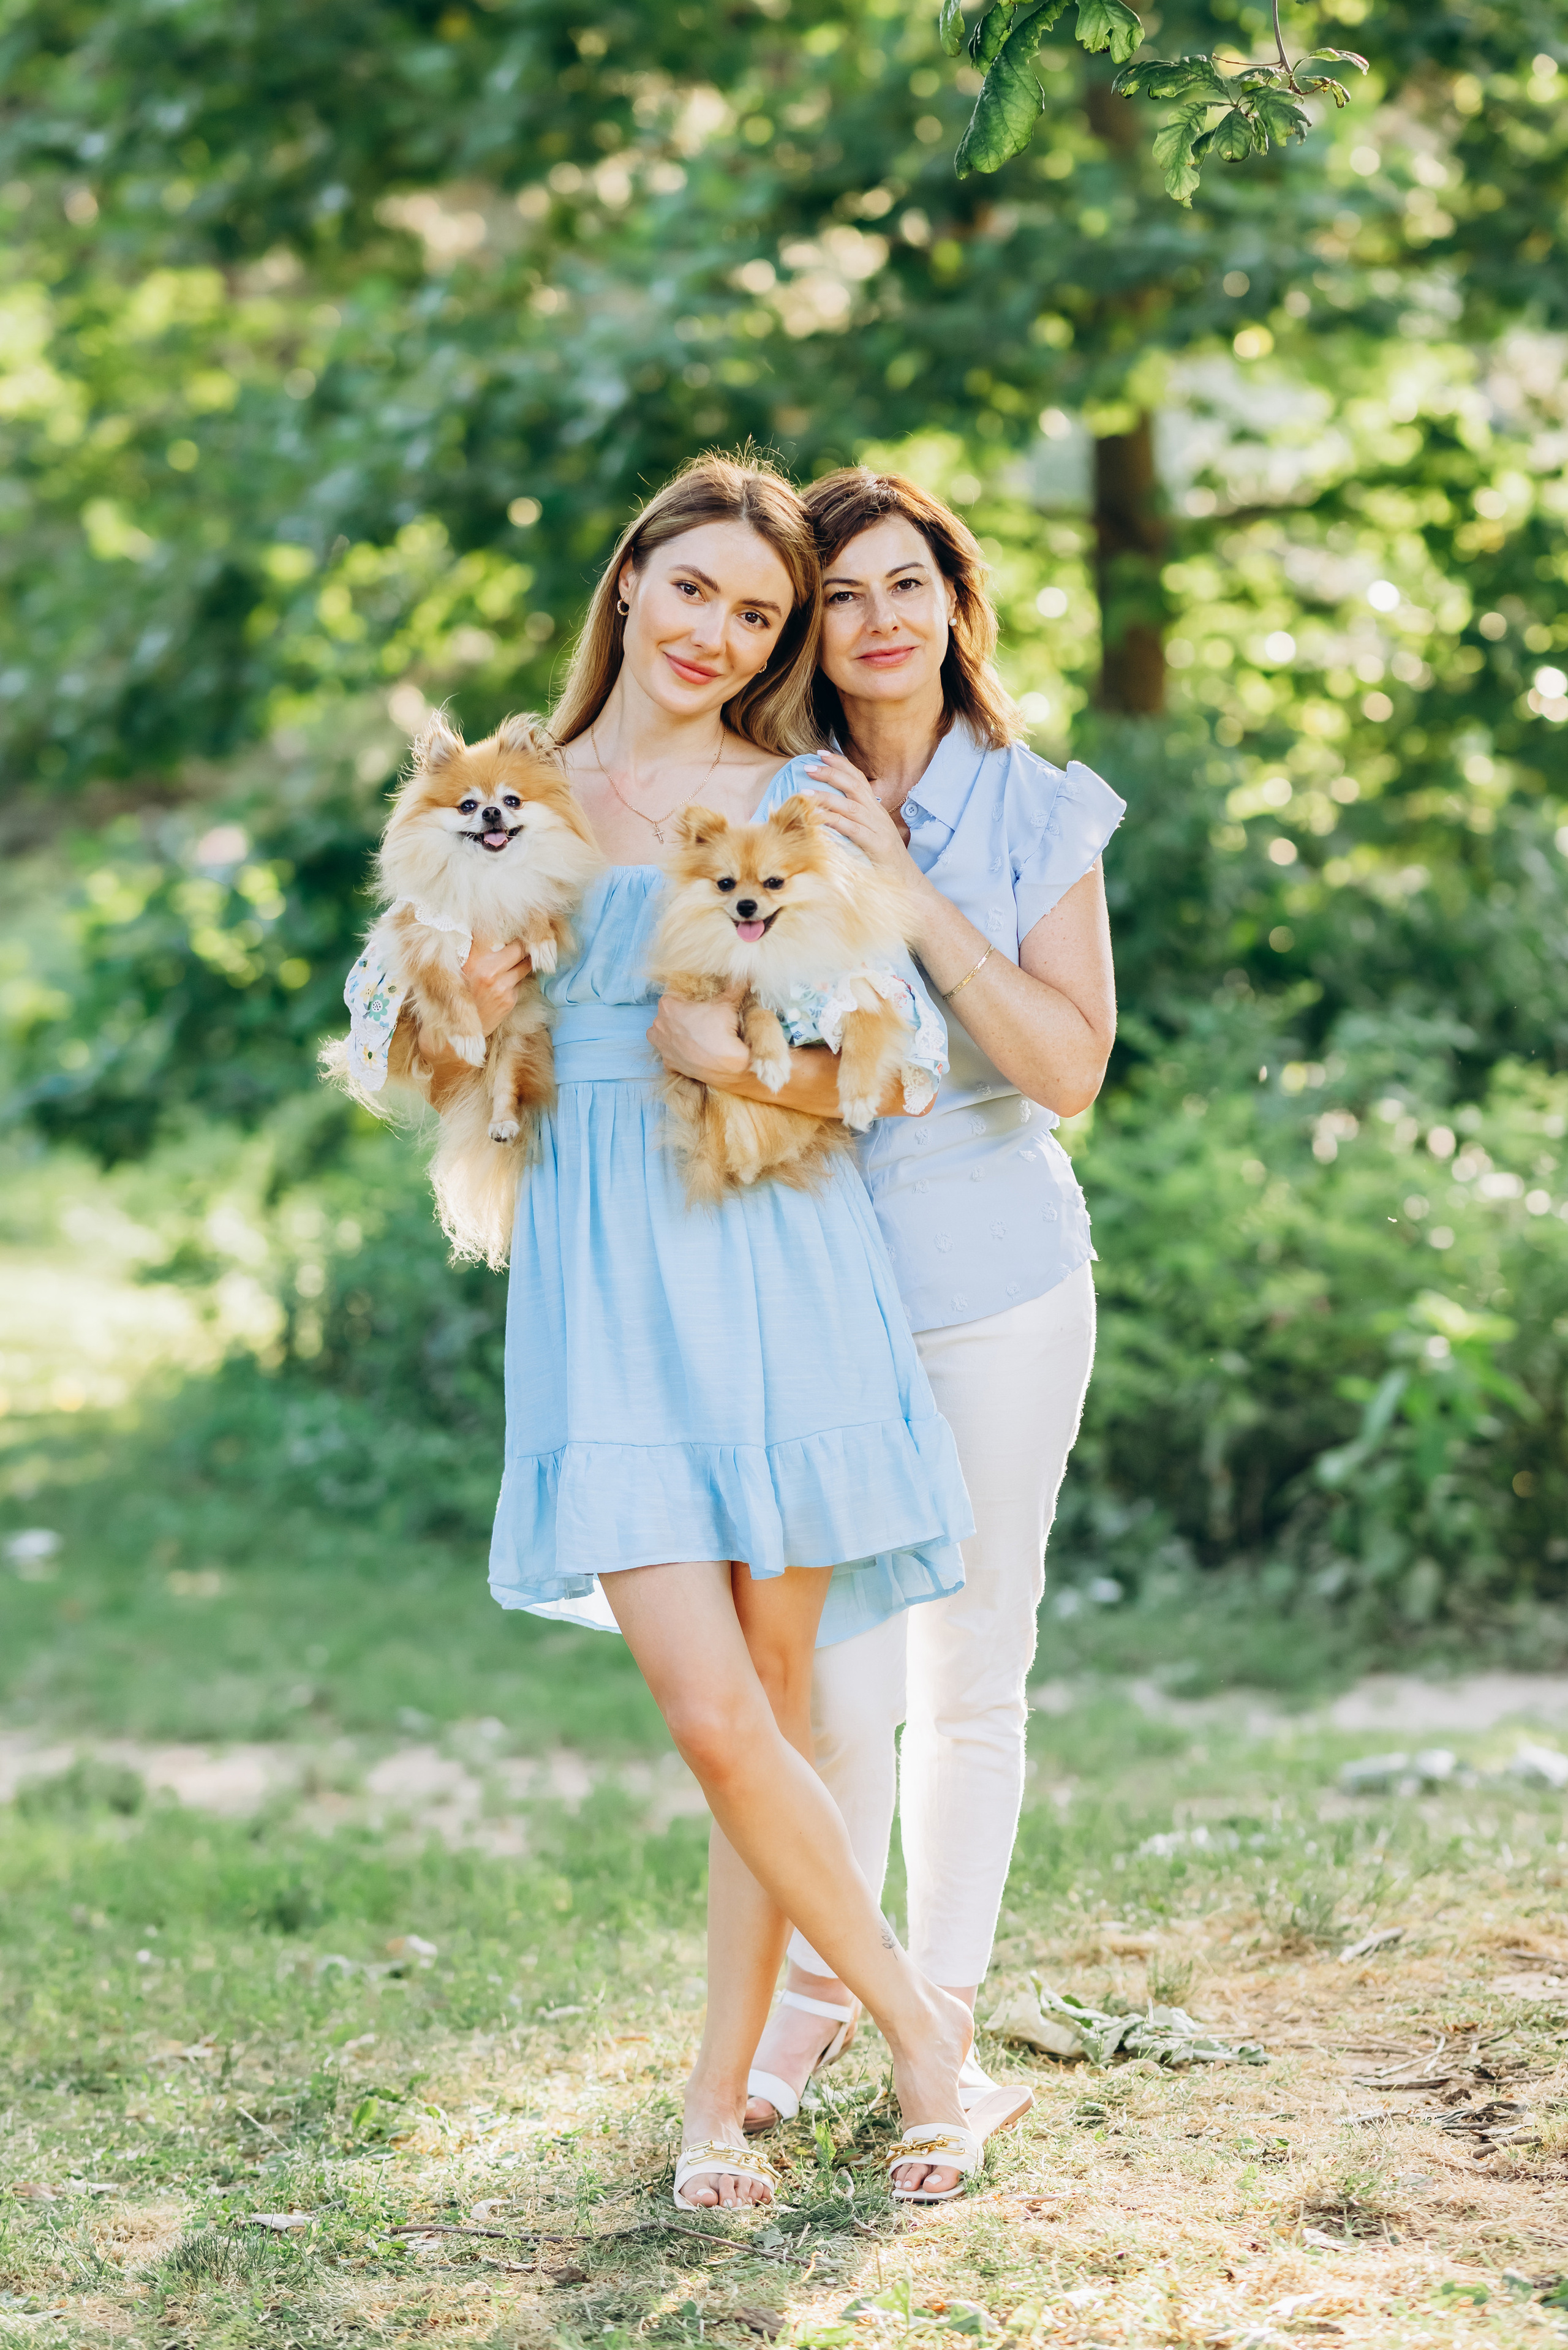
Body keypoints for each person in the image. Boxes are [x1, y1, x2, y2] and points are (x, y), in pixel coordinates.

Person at [407, 453, 979, 2210]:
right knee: (712, 1712)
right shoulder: (504, 787)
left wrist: (737, 1057)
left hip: (773, 1256)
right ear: (630, 582)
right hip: (599, 1275)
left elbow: (893, 1058)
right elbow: (399, 1059)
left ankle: (716, 2113)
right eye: (696, 592)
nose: (718, 635)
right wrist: (459, 1007)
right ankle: (931, 2045)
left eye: (758, 614)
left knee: (780, 1709)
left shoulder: (787, 798)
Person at [734, 468, 1123, 2196]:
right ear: (808, 629)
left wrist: (909, 890)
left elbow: (1067, 1069)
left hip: (999, 1282)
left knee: (971, 1673)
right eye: (843, 596)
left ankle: (938, 2030)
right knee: (827, 1686)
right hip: (815, 1277)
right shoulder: (764, 801)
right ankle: (823, 1992)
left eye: (910, 585)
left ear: (955, 603)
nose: (881, 620)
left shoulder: (1039, 809)